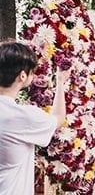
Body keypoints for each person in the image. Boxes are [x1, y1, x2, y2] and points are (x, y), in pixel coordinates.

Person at [0, 41, 69, 194]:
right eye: (32, 72)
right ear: (22, 76)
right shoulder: (22, 117)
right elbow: (59, 118)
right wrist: (60, 82)